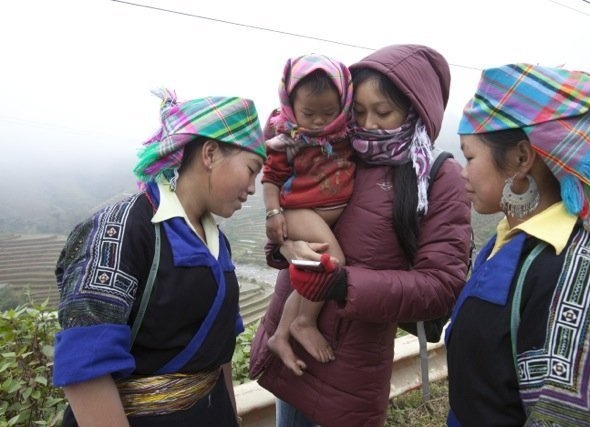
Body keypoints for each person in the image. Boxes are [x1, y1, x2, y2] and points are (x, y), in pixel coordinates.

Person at [249, 44, 472, 426]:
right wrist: (285, 245)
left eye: (383, 112)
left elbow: (441, 286)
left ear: (416, 108)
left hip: (347, 367)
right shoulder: (336, 147)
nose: (367, 125)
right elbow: (287, 208)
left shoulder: (434, 177)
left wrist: (342, 284)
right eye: (359, 111)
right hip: (289, 347)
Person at [53, 88, 266, 426]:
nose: (254, 187)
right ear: (210, 153)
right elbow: (85, 366)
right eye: (252, 169)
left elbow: (219, 349)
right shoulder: (123, 228)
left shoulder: (217, 242)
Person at [446, 64, 590, 426]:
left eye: (470, 156)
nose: (462, 171)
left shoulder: (583, 281)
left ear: (521, 158)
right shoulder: (504, 241)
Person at [261, 53, 355, 374]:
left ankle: (281, 334)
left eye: (328, 112)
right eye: (308, 113)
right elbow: (271, 178)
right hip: (300, 210)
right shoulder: (287, 139)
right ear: (290, 104)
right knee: (335, 263)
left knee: (312, 274)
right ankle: (304, 321)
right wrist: (274, 214)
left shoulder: (345, 132)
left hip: (321, 214)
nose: (318, 122)